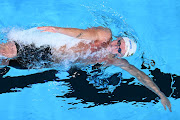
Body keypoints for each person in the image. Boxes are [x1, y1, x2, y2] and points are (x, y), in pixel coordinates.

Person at [0, 26, 172, 112]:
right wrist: (56, 29)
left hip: (46, 61)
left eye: (120, 50)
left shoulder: (112, 60)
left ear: (121, 55)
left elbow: (139, 75)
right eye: (119, 42)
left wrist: (160, 94)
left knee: (6, 63)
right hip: (46, 45)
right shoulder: (104, 35)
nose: (115, 46)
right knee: (7, 51)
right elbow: (82, 34)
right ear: (118, 38)